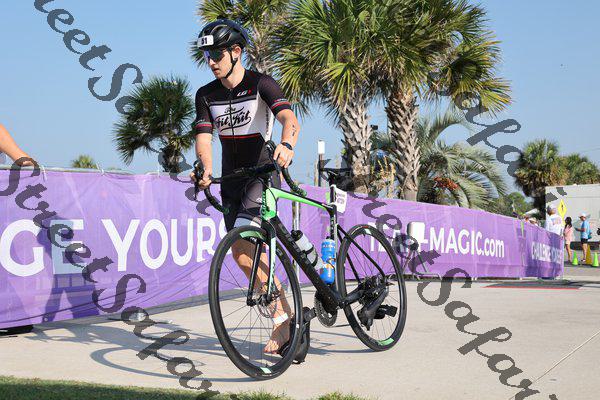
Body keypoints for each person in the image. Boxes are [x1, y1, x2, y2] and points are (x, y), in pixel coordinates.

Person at [190, 19, 300, 354]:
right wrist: (206, 169)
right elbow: (204, 138)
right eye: (207, 55)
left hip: (261, 176)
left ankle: (283, 322)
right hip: (231, 181)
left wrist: (287, 145)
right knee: (245, 255)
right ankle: (287, 316)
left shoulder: (261, 83)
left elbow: (289, 119)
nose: (211, 61)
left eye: (217, 54)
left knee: (239, 248)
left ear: (236, 52)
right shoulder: (206, 94)